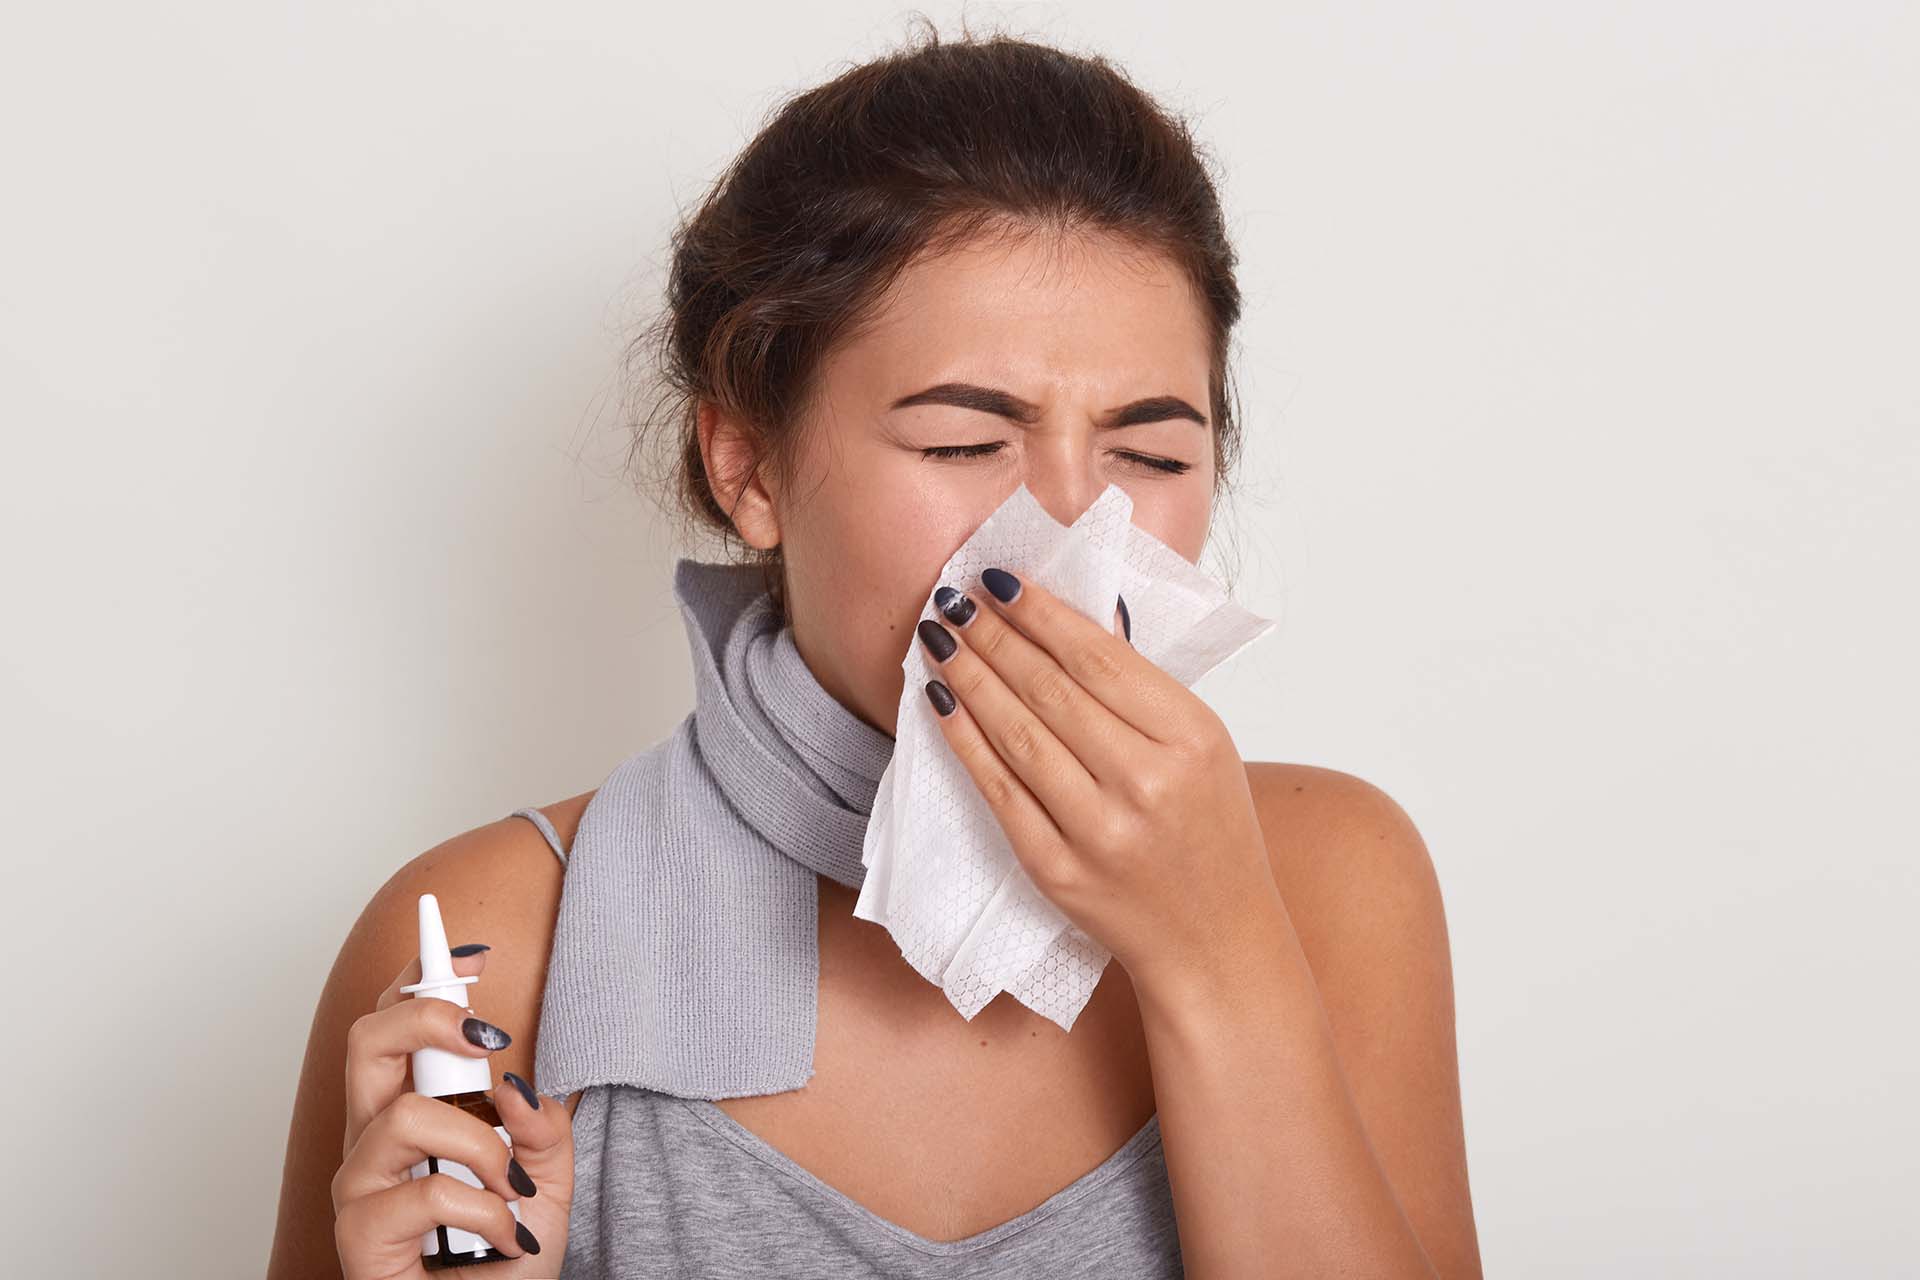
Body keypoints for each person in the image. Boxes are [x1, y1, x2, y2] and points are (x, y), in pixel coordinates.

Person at [269, 26, 1481, 1279]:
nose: (1072, 528)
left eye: (1153, 455)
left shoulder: (1333, 886)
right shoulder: (489, 945)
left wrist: (1218, 955)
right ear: (748, 467)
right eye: (964, 443)